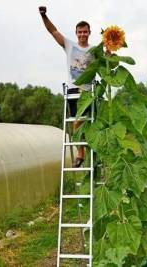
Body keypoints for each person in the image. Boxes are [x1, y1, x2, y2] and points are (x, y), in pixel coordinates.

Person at [39, 6, 94, 167]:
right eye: (80, 32)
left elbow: (106, 61)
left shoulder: (94, 50)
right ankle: (81, 152)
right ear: (76, 33)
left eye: (85, 32)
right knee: (76, 123)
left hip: (87, 91)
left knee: (83, 122)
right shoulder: (69, 45)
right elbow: (53, 31)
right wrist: (44, 16)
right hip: (73, 90)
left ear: (89, 33)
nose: (82, 34)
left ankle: (84, 153)